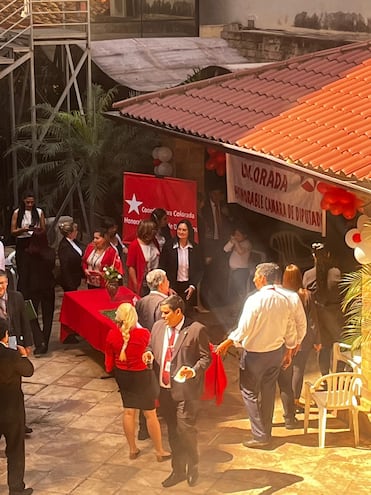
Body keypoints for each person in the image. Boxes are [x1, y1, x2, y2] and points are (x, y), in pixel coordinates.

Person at [216, 263, 297, 448]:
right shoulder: (285, 299)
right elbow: (290, 328)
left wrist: (228, 342)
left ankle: (260, 435)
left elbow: (244, 329)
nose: (253, 280)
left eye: (256, 276)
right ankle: (266, 431)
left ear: (262, 278)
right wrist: (289, 350)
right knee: (268, 392)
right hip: (275, 353)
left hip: (255, 356)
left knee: (249, 391)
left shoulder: (255, 300)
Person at [142, 295, 212, 488]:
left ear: (178, 312)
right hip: (164, 391)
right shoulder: (157, 327)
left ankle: (193, 464)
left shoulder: (196, 330)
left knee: (185, 430)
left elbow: (206, 358)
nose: (162, 317)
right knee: (173, 432)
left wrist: (194, 370)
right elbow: (150, 346)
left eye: (166, 313)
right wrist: (147, 353)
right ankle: (178, 470)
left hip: (186, 392)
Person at [105, 303, 171, 462]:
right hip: (142, 376)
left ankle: (132, 449)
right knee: (150, 414)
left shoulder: (111, 335)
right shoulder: (143, 334)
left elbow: (108, 362)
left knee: (128, 411)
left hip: (123, 376)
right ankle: (159, 451)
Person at [135, 268, 170, 441]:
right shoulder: (165, 304)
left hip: (144, 350)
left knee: (146, 390)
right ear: (162, 283)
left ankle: (143, 427)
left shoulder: (141, 301)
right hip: (160, 350)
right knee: (163, 386)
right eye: (167, 280)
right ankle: (165, 417)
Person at [0, 317, 34, 495]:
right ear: (5, 336)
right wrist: (23, 356)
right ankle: (15, 489)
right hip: (12, 411)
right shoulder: (12, 355)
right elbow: (28, 371)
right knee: (14, 450)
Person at [282, 264, 321, 412]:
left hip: (284, 338)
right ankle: (295, 399)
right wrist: (317, 340)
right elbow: (312, 320)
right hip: (303, 338)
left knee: (286, 371)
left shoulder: (282, 295)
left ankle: (288, 402)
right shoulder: (306, 295)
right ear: (300, 277)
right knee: (298, 369)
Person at [273, 265, 307, 429]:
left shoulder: (266, 298)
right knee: (286, 383)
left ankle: (262, 424)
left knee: (265, 385)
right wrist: (297, 344)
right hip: (287, 345)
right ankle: (289, 419)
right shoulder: (295, 296)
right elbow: (302, 323)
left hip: (269, 346)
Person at [303, 243, 344, 375]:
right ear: (328, 255)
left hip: (317, 316)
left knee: (323, 347)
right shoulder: (336, 273)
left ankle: (325, 377)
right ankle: (338, 375)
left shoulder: (308, 275)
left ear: (313, 256)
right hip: (334, 315)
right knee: (338, 345)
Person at [159, 219, 202, 312]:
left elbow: (200, 269)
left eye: (184, 230)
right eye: (179, 229)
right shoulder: (168, 246)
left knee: (188, 313)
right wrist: (168, 287)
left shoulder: (195, 248)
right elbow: (162, 267)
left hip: (188, 287)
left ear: (189, 232)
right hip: (172, 286)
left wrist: (192, 286)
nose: (181, 232)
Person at [24, 230, 56, 354]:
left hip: (33, 288)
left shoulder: (28, 254)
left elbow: (25, 273)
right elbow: (52, 268)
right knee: (48, 316)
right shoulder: (51, 253)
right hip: (48, 287)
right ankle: (45, 342)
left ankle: (39, 340)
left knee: (32, 315)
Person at [10, 191, 46, 296]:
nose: (30, 205)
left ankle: (35, 297)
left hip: (35, 241)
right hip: (22, 242)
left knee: (35, 271)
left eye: (32, 202)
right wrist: (23, 230)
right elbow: (13, 231)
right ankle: (24, 298)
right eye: (27, 202)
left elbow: (44, 229)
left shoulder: (39, 212)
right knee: (24, 272)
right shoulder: (17, 212)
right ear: (23, 201)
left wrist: (36, 230)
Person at [201, 187, 231, 307]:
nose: (218, 197)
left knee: (221, 271)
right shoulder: (205, 209)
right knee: (209, 272)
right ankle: (206, 302)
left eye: (220, 195)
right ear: (211, 194)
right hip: (210, 244)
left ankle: (220, 300)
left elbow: (229, 224)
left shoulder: (223, 208)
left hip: (222, 244)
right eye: (215, 194)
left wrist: (227, 215)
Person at [126, 220, 160, 297]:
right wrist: (136, 285)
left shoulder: (154, 241)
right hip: (142, 283)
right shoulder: (134, 245)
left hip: (154, 281)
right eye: (153, 230)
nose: (155, 232)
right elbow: (131, 267)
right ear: (146, 232)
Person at [223, 226, 252, 305]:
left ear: (244, 236)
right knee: (234, 291)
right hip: (234, 270)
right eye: (235, 234)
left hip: (241, 271)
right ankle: (235, 309)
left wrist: (235, 242)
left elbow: (241, 252)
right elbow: (225, 249)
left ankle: (242, 307)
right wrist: (231, 242)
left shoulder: (247, 243)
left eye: (238, 235)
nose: (236, 236)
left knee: (241, 292)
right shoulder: (236, 243)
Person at [57, 221, 84, 292]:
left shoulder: (74, 241)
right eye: (75, 231)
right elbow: (64, 267)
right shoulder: (64, 247)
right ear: (70, 233)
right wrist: (70, 285)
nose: (77, 232)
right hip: (69, 281)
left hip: (76, 278)